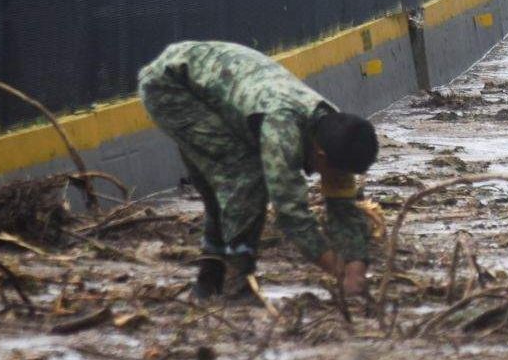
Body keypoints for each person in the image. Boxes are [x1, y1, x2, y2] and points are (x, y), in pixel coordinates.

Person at [138, 40, 377, 301]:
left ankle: (208, 280)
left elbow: (343, 207)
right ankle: (238, 282)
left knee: (225, 182)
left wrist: (357, 264)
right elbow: (291, 213)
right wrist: (337, 270)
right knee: (245, 175)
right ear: (321, 155)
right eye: (335, 173)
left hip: (215, 83)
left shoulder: (336, 133)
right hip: (171, 86)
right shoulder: (282, 130)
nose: (334, 180)